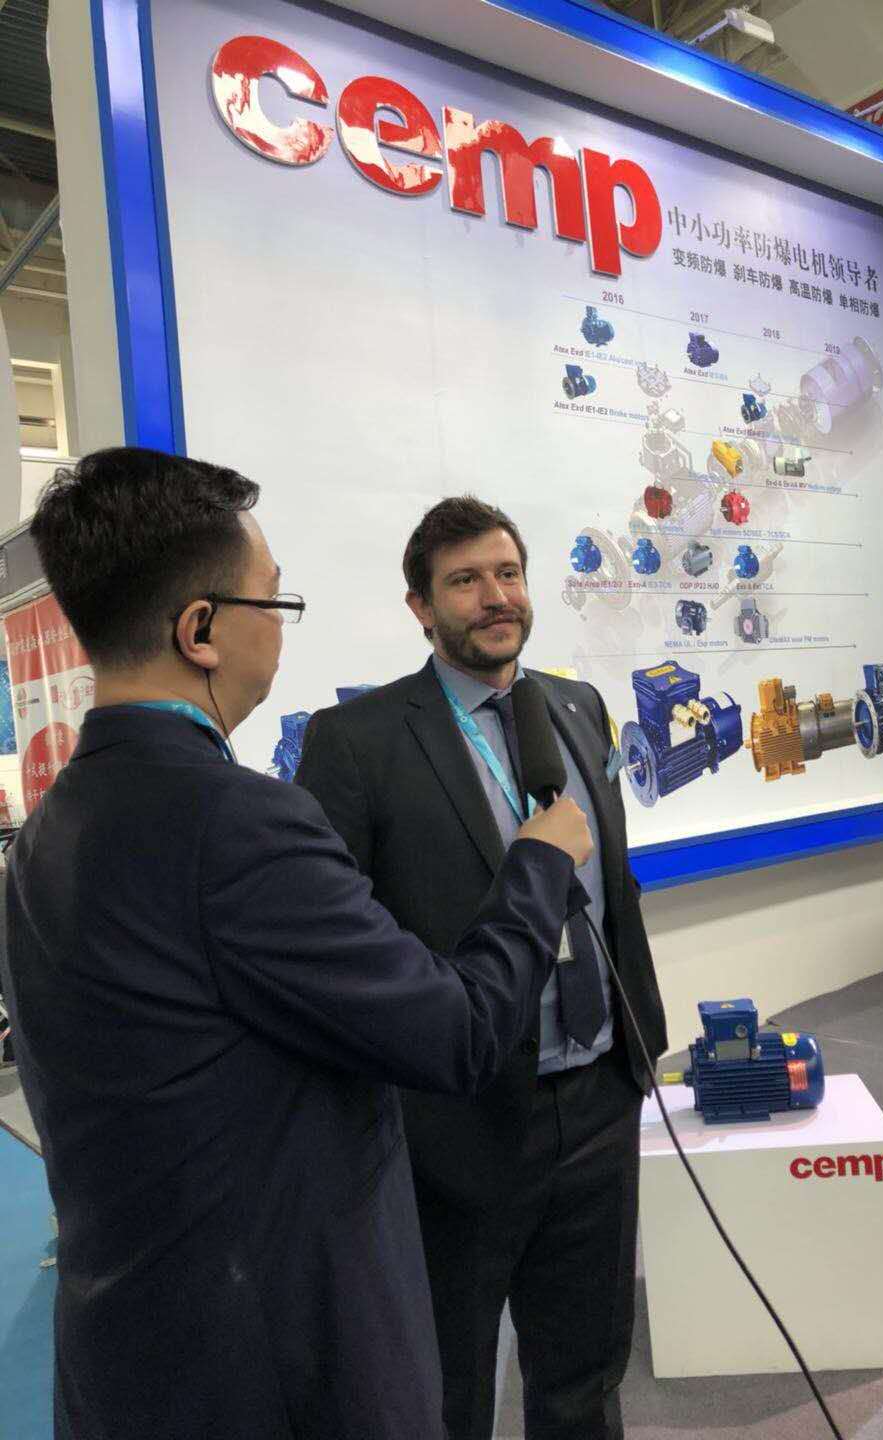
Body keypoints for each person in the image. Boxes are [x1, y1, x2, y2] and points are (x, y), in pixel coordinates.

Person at [0, 448, 594, 1440]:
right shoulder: (236, 821)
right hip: (274, 1362)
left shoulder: (54, 828)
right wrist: (537, 863)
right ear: (201, 631)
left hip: (134, 1350)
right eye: (273, 602)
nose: (279, 627)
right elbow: (453, 1032)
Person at [296, 496, 667, 1440]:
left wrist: (636, 1057)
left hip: (597, 1097)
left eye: (507, 574)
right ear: (421, 608)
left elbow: (611, 888)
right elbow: (342, 955)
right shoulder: (358, 741)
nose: (495, 597)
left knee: (586, 1377)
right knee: (444, 1392)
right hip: (454, 1128)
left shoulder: (577, 708)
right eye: (464, 581)